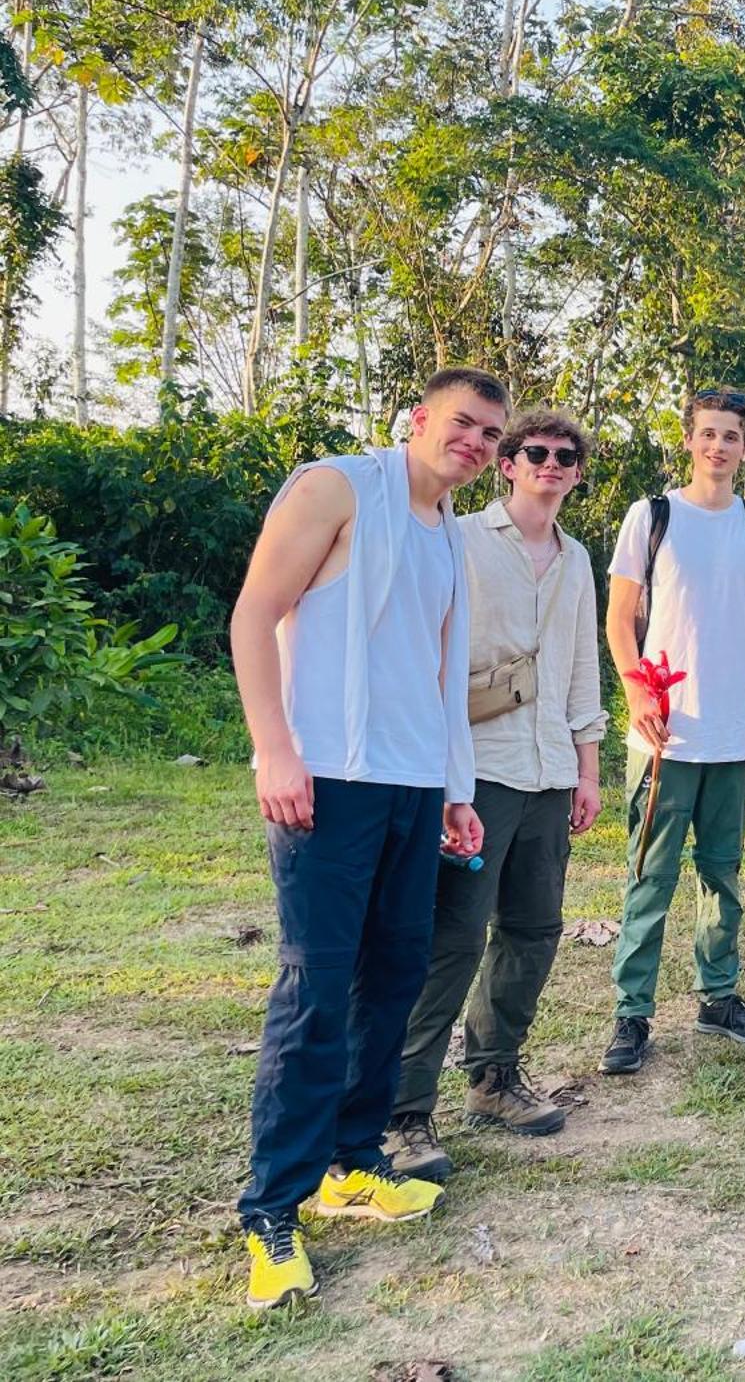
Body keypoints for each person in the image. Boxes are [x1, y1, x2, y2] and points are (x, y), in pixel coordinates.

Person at [229, 366, 508, 1309]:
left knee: (393, 973)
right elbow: (255, 613)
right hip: (327, 780)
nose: (475, 443)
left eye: (490, 437)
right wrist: (276, 749)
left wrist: (455, 792)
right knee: (317, 985)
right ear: (421, 418)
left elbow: (439, 672)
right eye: (464, 424)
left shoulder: (447, 537)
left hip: (411, 787)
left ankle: (353, 1160)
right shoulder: (338, 485)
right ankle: (273, 1207)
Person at [385, 411, 607, 1181]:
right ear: (508, 464)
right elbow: (431, 645)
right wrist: (446, 776)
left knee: (535, 930)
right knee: (451, 939)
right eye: (534, 452)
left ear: (578, 472)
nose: (550, 463)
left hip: (549, 772)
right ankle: (403, 1112)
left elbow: (583, 670)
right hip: (476, 770)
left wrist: (588, 769)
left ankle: (493, 1076)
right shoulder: (463, 539)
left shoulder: (576, 559)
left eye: (565, 456)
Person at [598, 388, 745, 1074]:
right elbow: (619, 621)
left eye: (731, 436)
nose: (718, 446)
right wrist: (634, 696)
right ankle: (632, 1014)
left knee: (724, 873)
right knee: (650, 876)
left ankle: (718, 998)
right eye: (708, 434)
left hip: (734, 735)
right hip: (665, 736)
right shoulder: (651, 517)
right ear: (688, 441)